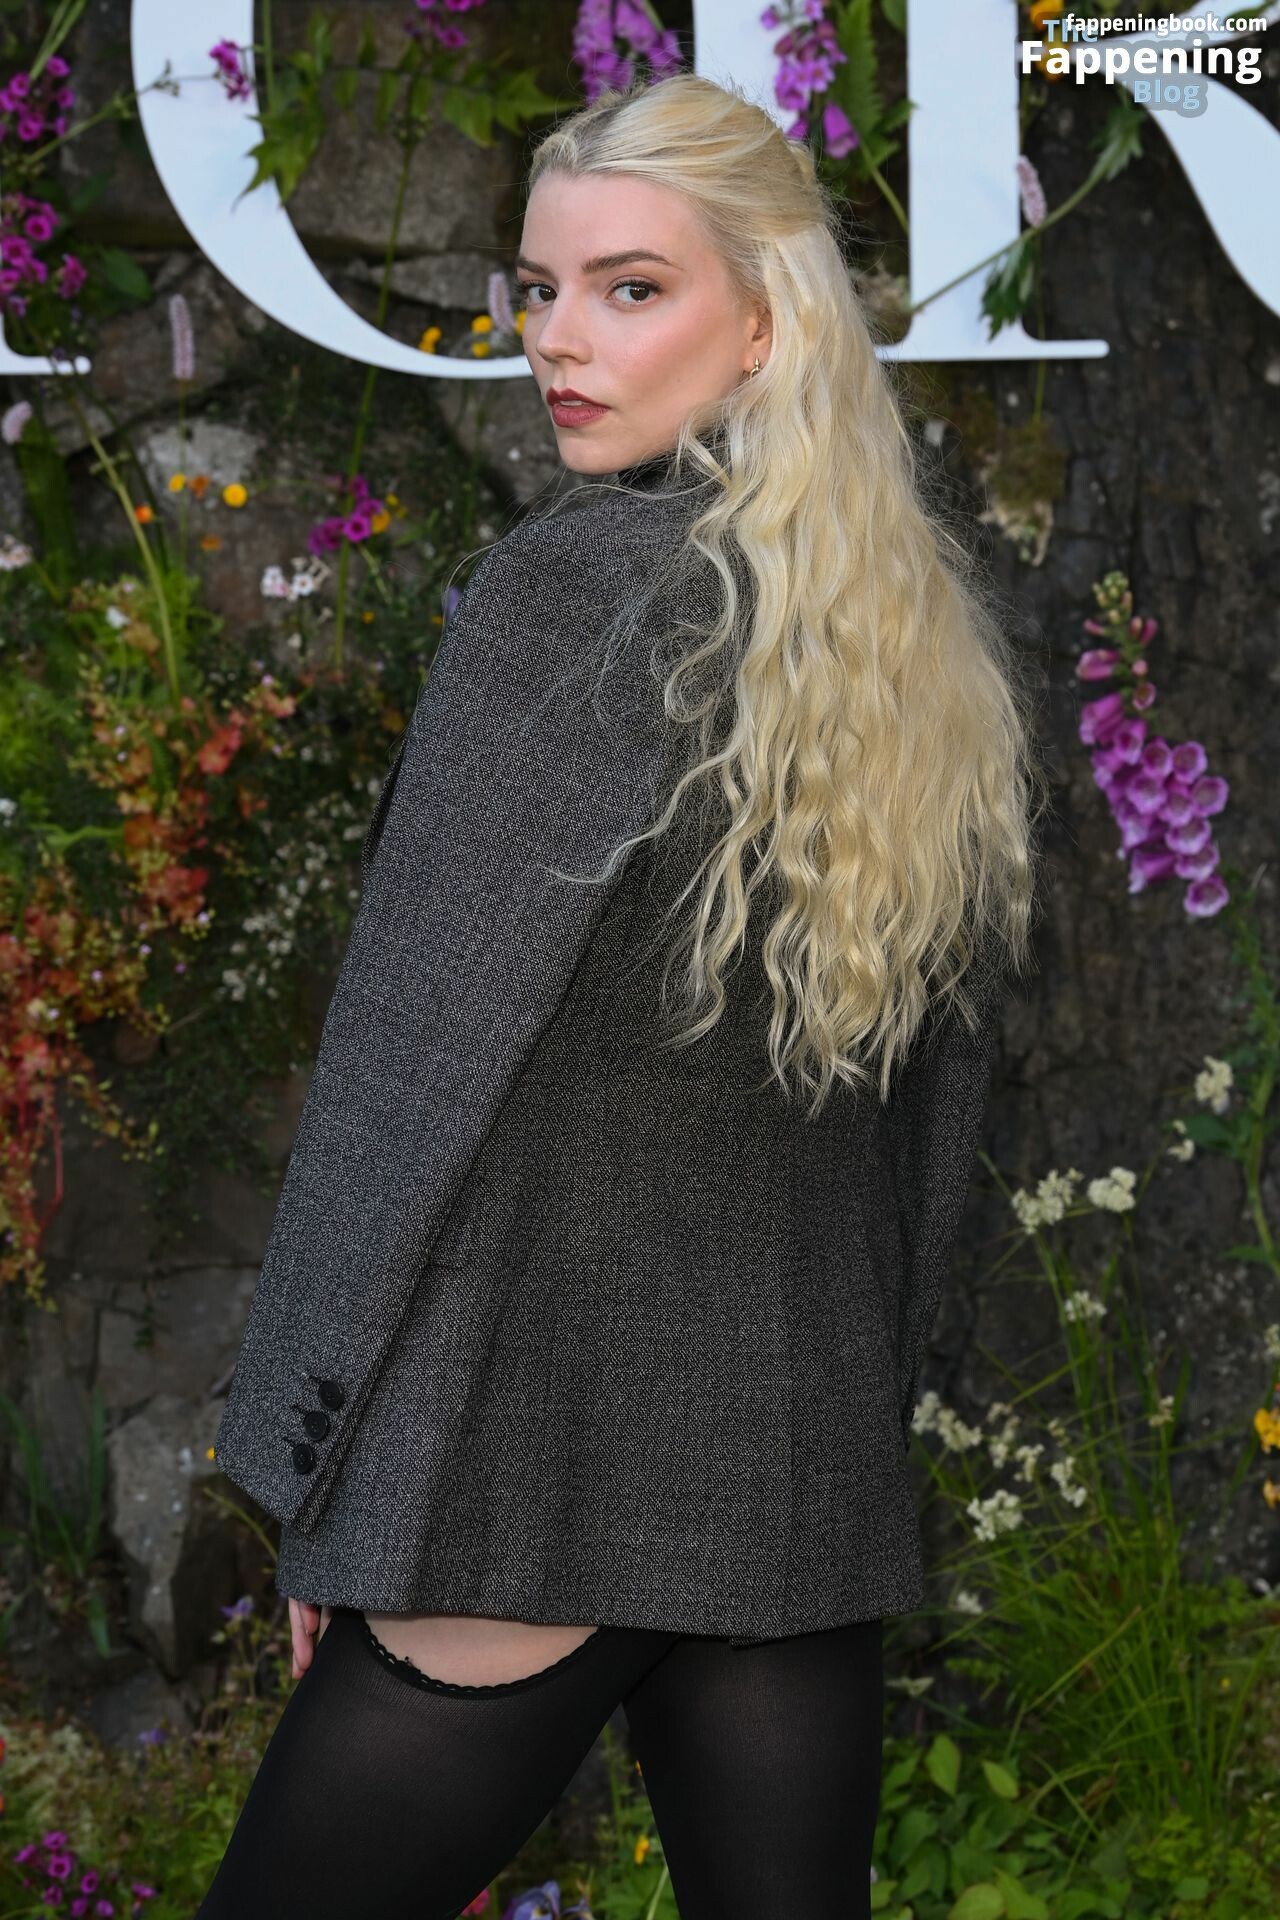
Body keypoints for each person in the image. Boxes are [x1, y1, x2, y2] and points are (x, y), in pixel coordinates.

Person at [199, 69, 1042, 1920]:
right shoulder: (910, 632)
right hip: (791, 1480)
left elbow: (413, 1064)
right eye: (540, 288)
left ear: (765, 319)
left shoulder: (571, 593)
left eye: (630, 288)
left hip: (530, 1469)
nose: (560, 341)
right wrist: (856, 1418)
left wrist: (309, 1481)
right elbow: (934, 1131)